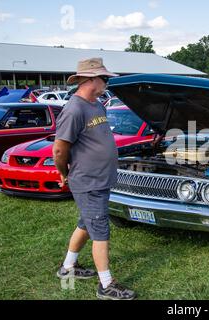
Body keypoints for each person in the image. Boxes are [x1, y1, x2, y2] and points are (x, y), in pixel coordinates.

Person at [54, 57, 137, 300]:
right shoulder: (74, 109)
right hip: (88, 181)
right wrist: (63, 172)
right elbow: (59, 150)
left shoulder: (97, 104)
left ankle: (68, 267)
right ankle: (106, 285)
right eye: (105, 78)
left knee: (86, 224)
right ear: (91, 79)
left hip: (100, 179)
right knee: (100, 230)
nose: (107, 82)